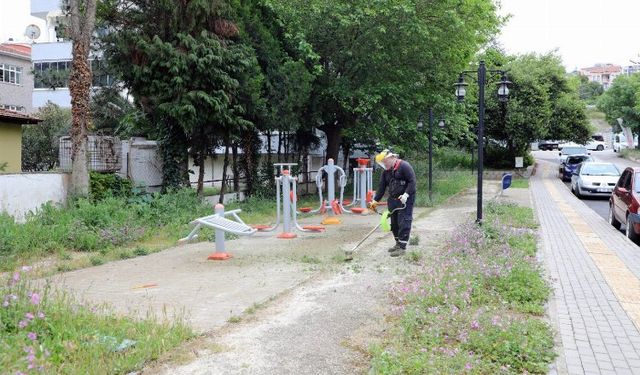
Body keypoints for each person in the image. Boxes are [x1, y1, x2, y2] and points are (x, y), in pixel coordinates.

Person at [368, 149, 416, 257]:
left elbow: (412, 181)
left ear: (391, 158)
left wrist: (406, 195)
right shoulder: (386, 171)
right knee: (394, 223)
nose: (384, 164)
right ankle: (398, 244)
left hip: (405, 199)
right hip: (393, 199)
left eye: (385, 162)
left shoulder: (404, 166)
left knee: (403, 221)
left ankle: (402, 247)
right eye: (383, 163)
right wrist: (375, 200)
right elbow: (382, 187)